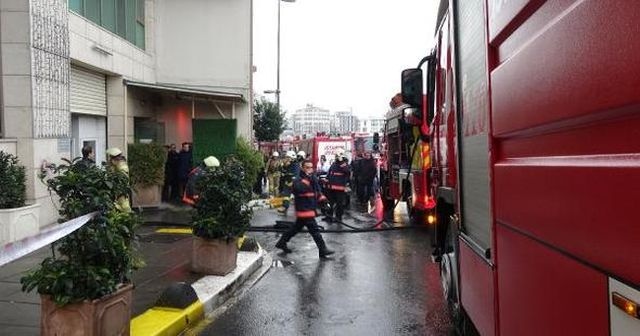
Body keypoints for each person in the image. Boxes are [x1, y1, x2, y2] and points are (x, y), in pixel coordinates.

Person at [275, 160, 335, 259]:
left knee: (295, 229)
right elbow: (298, 189)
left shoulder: (313, 179)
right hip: (303, 208)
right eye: (307, 167)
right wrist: (308, 179)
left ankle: (281, 242)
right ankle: (323, 249)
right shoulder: (298, 179)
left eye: (311, 167)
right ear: (302, 168)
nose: (309, 169)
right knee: (314, 230)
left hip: (310, 207)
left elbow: (318, 191)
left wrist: (324, 202)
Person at [324, 149, 350, 222]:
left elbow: (347, 171)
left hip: (340, 188)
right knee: (330, 202)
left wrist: (341, 161)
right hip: (331, 187)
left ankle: (338, 217)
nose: (336, 157)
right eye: (335, 155)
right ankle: (329, 216)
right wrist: (327, 178)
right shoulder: (334, 163)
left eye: (337, 155)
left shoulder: (344, 163)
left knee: (339, 204)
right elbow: (330, 172)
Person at [106, 147, 132, 213]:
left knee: (124, 206)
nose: (109, 160)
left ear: (115, 159)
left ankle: (128, 218)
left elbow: (123, 180)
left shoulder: (122, 167)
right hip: (114, 191)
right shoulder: (113, 165)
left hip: (121, 191)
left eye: (111, 158)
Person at [277, 151, 298, 215]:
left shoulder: (295, 165)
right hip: (289, 182)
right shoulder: (289, 165)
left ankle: (285, 207)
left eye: (287, 157)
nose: (285, 159)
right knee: (286, 194)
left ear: (291, 158)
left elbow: (293, 175)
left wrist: (287, 176)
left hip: (293, 182)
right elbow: (283, 171)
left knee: (287, 193)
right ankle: (285, 207)